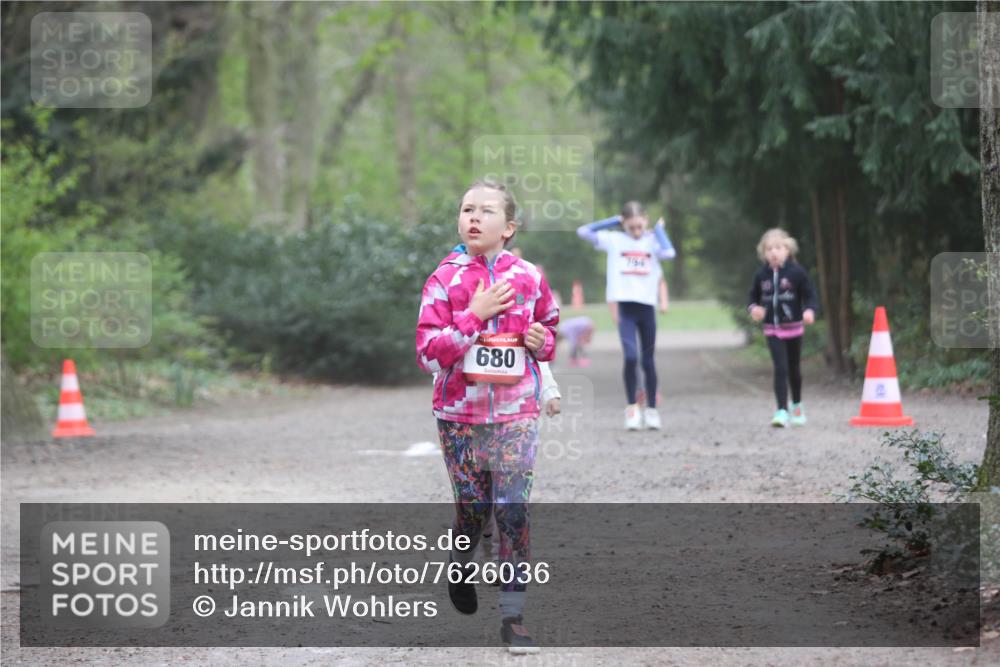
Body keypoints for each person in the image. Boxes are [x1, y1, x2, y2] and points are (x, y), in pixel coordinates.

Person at [416, 179, 558, 654]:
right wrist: (472, 315)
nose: (473, 217)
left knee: (513, 509)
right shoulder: (444, 279)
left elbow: (549, 330)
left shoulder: (529, 277)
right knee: (474, 511)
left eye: (486, 211)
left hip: (517, 413)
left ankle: (513, 618)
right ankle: (461, 557)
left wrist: (542, 342)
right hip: (459, 416)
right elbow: (429, 356)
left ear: (509, 227)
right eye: (466, 209)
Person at [577, 202, 675, 430]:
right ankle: (632, 408)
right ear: (625, 225)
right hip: (626, 310)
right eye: (631, 227)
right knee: (631, 358)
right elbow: (583, 231)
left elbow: (669, 253)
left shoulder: (652, 241)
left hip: (646, 309)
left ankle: (651, 410)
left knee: (648, 361)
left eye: (640, 226)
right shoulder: (614, 240)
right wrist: (614, 220)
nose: (636, 231)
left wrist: (659, 231)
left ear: (646, 221)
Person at [746, 228, 819, 427]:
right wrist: (754, 309)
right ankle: (781, 411)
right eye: (769, 249)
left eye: (778, 248)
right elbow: (752, 297)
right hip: (772, 329)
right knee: (780, 368)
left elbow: (810, 295)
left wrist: (810, 311)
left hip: (794, 328)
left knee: (794, 369)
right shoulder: (761, 275)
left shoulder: (797, 272)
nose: (774, 252)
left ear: (787, 250)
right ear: (764, 253)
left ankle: (797, 406)